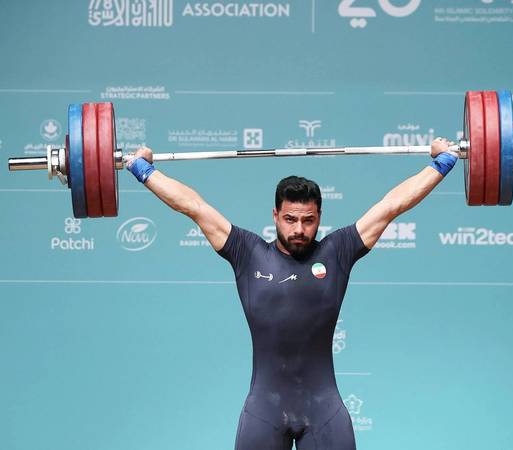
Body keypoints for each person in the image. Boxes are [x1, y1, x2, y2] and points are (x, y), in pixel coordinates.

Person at [126, 138, 458, 449]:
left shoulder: (338, 251)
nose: (298, 229)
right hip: (264, 411)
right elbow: (193, 206)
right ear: (275, 215)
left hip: (324, 410)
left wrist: (442, 163)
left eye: (308, 220)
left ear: (319, 217)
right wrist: (143, 169)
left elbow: (392, 205)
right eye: (289, 219)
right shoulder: (247, 252)